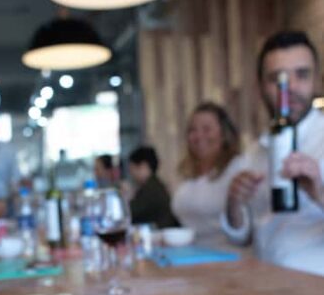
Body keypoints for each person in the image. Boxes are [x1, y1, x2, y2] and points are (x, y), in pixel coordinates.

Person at [222, 31, 324, 275]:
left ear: (318, 81)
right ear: (260, 88)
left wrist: (319, 193)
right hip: (263, 281)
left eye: (302, 74)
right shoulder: (255, 152)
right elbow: (241, 237)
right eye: (277, 78)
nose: (288, 87)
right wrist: (234, 205)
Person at [171, 102, 241, 246]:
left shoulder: (238, 168)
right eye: (192, 130)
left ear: (224, 134)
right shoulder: (187, 173)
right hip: (191, 256)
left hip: (230, 258)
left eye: (206, 129)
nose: (198, 136)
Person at [127, 145, 177, 228]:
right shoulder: (154, 185)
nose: (131, 174)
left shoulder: (151, 189)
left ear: (143, 166)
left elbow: (131, 213)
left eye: (132, 169)